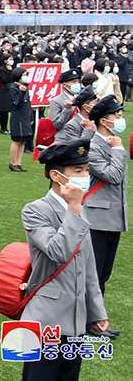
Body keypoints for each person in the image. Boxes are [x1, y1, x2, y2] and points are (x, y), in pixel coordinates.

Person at [21, 141, 108, 381]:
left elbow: (88, 267)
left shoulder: (78, 210)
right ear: (56, 176)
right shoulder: (35, 210)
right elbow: (58, 251)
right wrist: (74, 208)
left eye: (87, 170)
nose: (85, 177)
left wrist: (97, 312)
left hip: (76, 319)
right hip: (45, 319)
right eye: (78, 171)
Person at [84, 95, 127, 331]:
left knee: (103, 274)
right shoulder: (93, 146)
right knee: (94, 274)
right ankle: (91, 321)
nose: (120, 119)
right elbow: (113, 176)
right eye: (116, 115)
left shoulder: (109, 142)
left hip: (112, 218)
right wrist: (119, 149)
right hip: (97, 219)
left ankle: (97, 318)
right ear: (103, 120)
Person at [49, 68, 83, 132]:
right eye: (74, 82)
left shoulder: (81, 98)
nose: (77, 84)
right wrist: (67, 109)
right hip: (66, 135)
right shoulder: (56, 101)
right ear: (65, 85)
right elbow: (56, 124)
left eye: (78, 82)